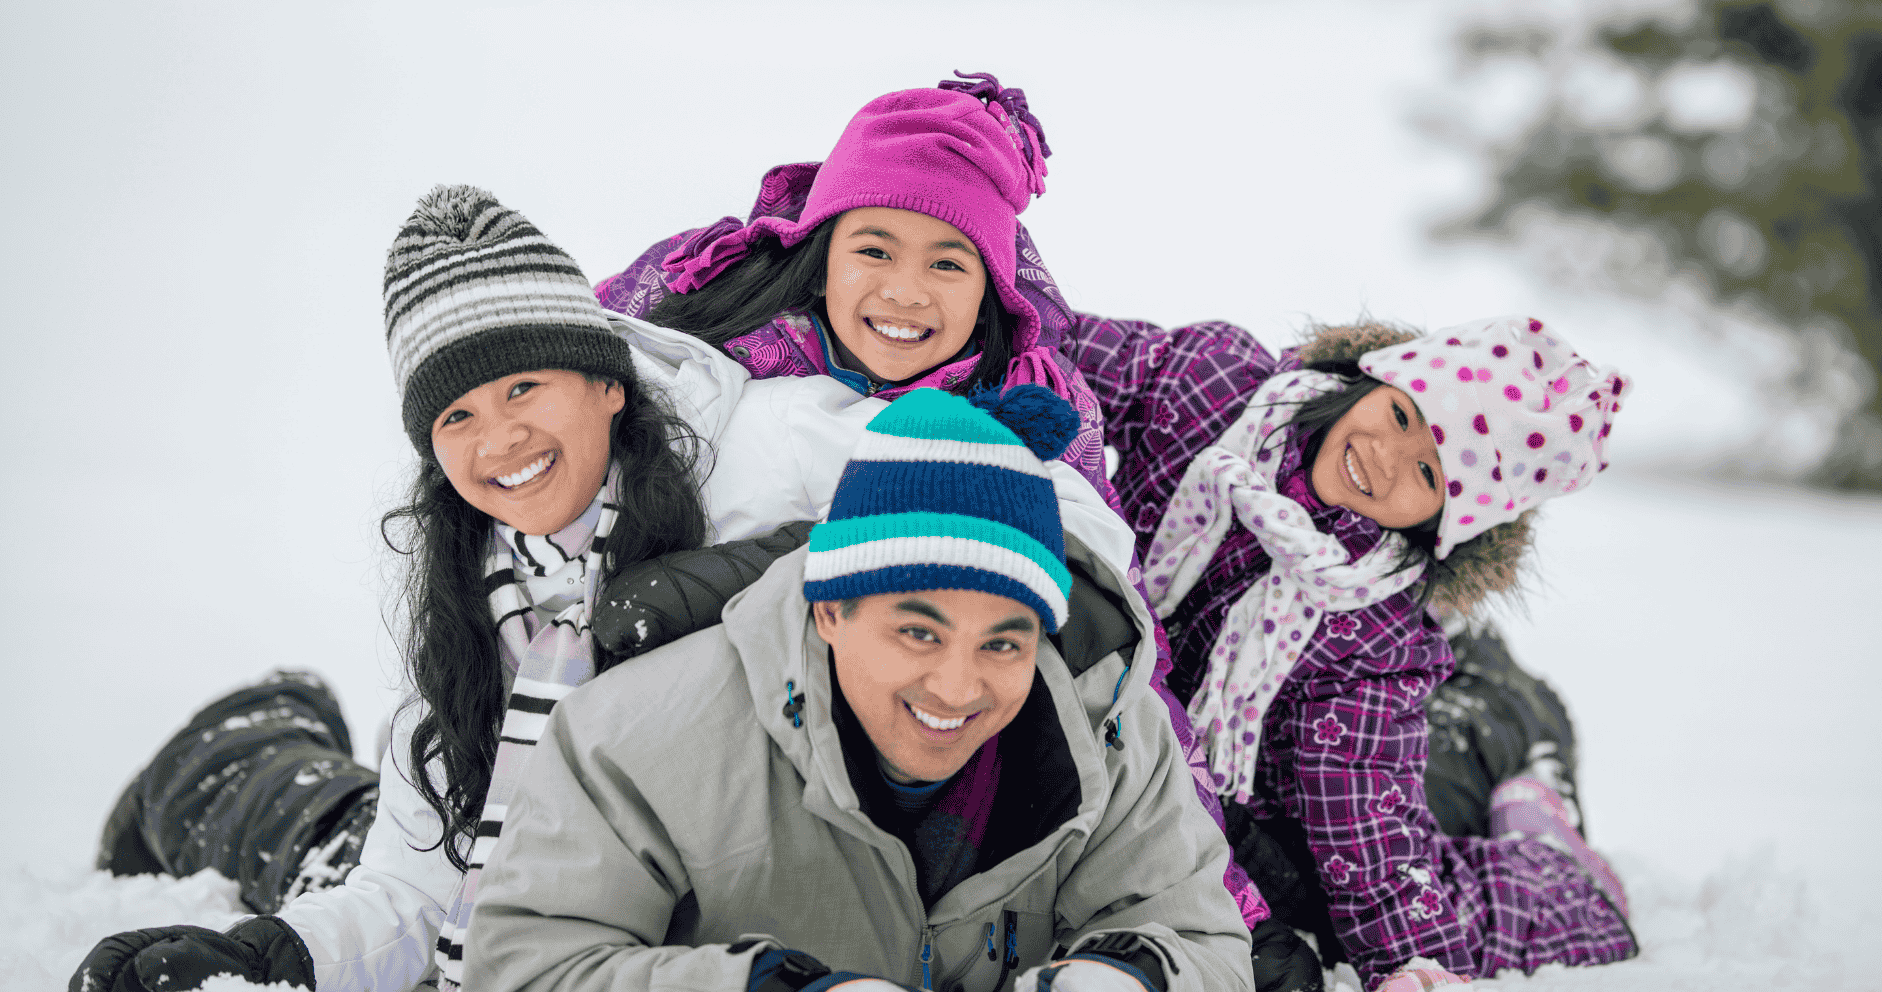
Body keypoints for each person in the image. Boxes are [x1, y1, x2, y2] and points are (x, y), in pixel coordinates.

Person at [71, 186, 1159, 992]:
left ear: (605, 381)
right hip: (545, 906)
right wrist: (273, 954)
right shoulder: (481, 592)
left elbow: (1033, 499)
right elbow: (416, 896)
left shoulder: (755, 447)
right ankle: (227, 753)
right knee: (329, 838)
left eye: (525, 388)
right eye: (456, 418)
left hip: (690, 915)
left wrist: (735, 577)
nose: (498, 442)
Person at [594, 70, 1269, 933]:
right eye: (875, 249)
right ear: (822, 253)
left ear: (989, 288)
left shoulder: (1029, 413)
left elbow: (1112, 641)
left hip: (948, 768)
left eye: (948, 263)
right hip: (729, 764)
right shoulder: (729, 376)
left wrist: (1230, 909)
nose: (907, 293)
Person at [463, 386, 1254, 992]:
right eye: (918, 632)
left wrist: (1125, 977)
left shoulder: (1112, 733)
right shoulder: (630, 737)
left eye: (1003, 642)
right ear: (832, 610)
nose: (956, 685)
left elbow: (1199, 940)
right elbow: (527, 967)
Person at [1060, 314, 1638, 990]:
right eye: (1400, 415)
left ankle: (1543, 836)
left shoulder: (1377, 637)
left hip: (1270, 817)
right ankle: (1480, 663)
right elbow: (1043, 343)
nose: (1384, 457)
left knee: (1427, 835)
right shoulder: (1212, 387)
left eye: (1427, 470)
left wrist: (1408, 961)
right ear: (1373, 376)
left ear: (1445, 521)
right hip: (1158, 740)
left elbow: (1361, 819)